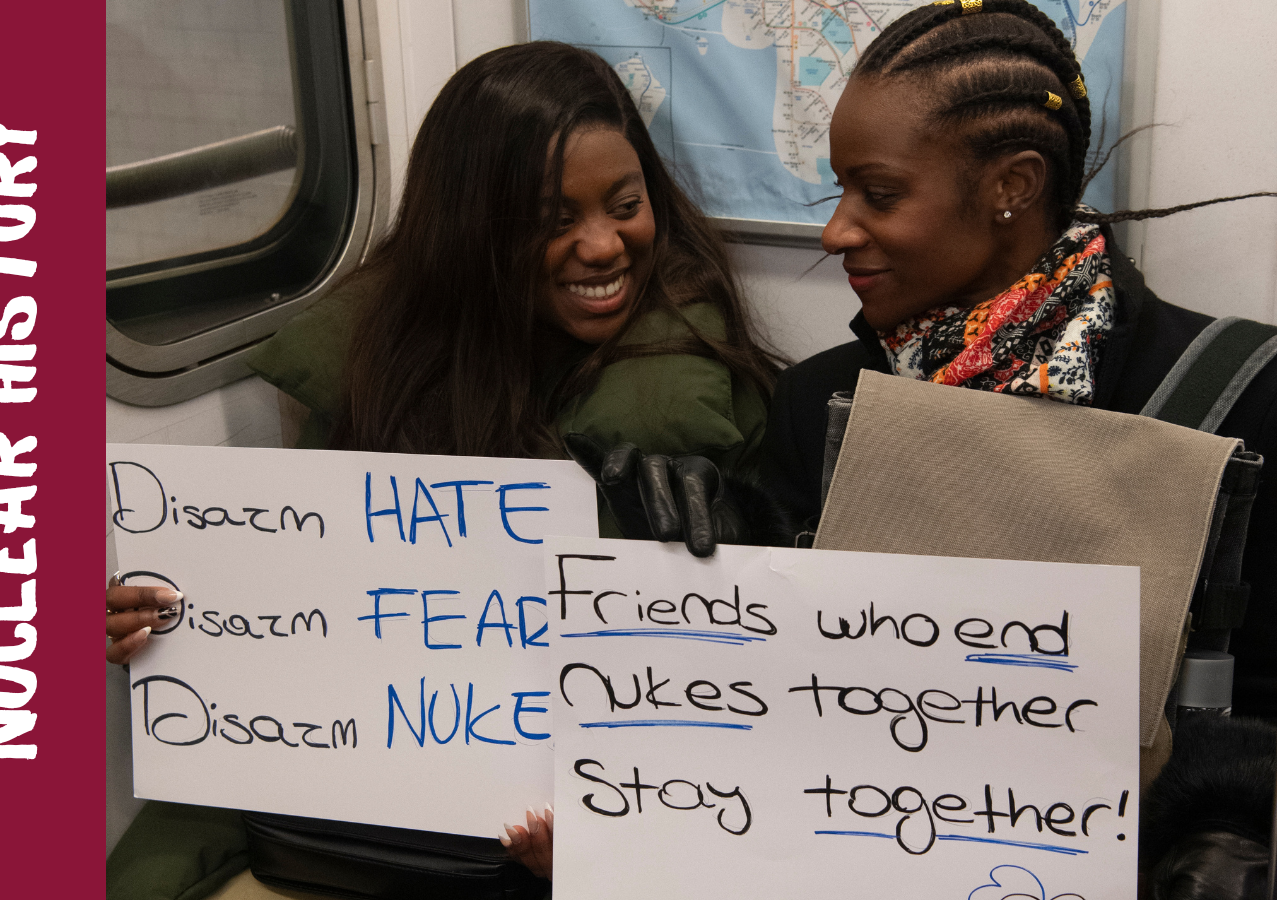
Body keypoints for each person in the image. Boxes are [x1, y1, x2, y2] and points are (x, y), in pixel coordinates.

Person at [570, 0, 1276, 892]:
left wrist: (1230, 819)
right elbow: (781, 705)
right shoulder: (819, 403)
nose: (836, 231)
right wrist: (721, 560)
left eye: (879, 194)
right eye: (838, 191)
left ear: (1012, 185)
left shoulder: (1239, 395)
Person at [106, 40, 784, 894]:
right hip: (355, 798)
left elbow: (765, 702)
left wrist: (746, 543)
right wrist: (166, 625)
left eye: (625, 205)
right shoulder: (372, 376)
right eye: (554, 221)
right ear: (474, 231)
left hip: (599, 813)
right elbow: (297, 612)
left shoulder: (708, 397)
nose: (604, 246)